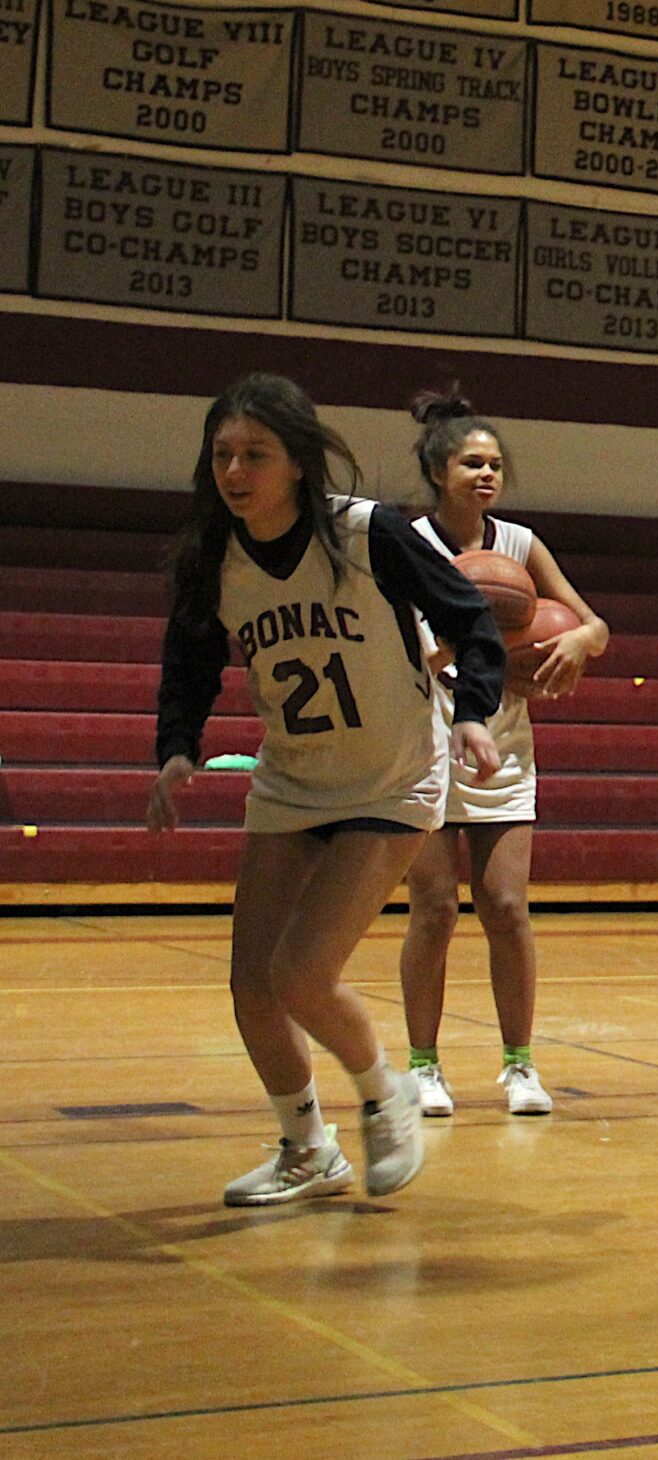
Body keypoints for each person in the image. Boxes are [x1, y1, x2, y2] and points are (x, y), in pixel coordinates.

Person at [150, 373, 505, 1205]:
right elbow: (188, 664)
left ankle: (388, 1094)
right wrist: (176, 751)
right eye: (223, 455)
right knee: (251, 985)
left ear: (299, 462)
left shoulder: (368, 533)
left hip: (392, 777)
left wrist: (475, 714)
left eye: (256, 455)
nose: (235, 472)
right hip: (295, 780)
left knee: (303, 973)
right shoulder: (216, 560)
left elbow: (472, 619)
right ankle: (308, 1148)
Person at [400, 391, 609, 1118]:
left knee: (507, 906)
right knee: (432, 908)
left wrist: (578, 640)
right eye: (471, 463)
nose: (486, 474)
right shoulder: (403, 543)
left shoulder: (520, 546)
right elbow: (404, 655)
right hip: (423, 738)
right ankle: (423, 1067)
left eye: (494, 465)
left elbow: (597, 627)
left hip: (505, 738)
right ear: (438, 468)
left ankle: (520, 1065)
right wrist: (469, 641)